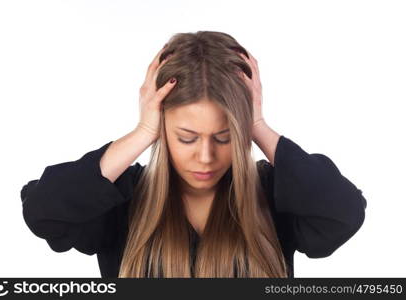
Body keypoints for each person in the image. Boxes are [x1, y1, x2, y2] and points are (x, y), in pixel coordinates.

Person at [20, 31, 367, 278]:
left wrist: (257, 123)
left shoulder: (276, 195)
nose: (205, 157)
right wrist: (142, 133)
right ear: (161, 128)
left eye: (224, 136)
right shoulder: (121, 199)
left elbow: (344, 213)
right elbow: (43, 212)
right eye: (186, 138)